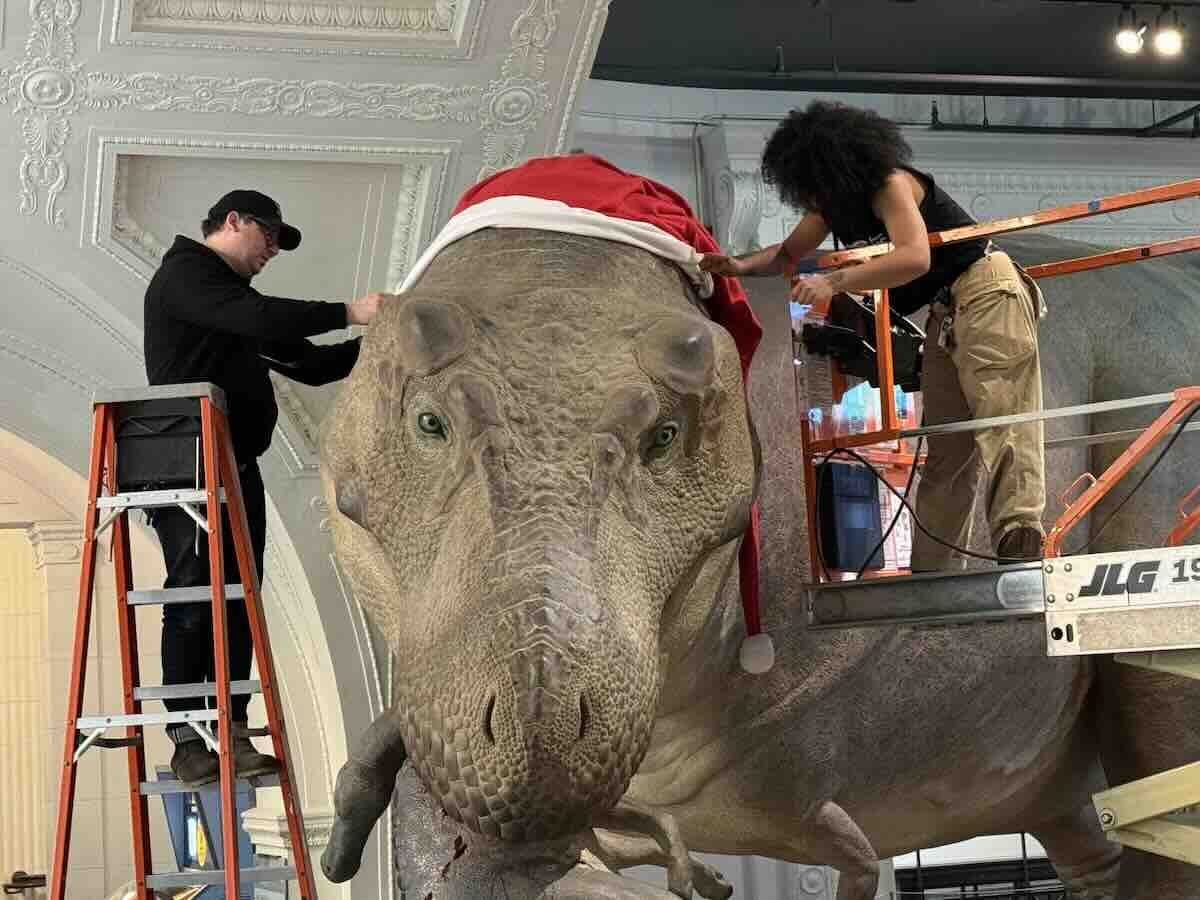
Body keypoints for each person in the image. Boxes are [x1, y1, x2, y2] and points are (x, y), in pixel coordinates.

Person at [700, 101, 1047, 572]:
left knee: (1004, 419)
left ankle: (1020, 540)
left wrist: (835, 281)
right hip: (946, 310)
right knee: (947, 448)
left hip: (985, 290)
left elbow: (915, 257)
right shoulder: (833, 207)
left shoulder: (890, 184)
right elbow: (785, 255)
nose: (809, 198)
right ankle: (933, 573)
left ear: (832, 167)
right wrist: (738, 265)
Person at [143, 189, 389, 786]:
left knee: (237, 599)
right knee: (194, 597)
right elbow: (260, 319)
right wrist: (351, 311)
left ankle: (230, 730)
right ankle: (188, 740)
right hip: (188, 463)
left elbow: (310, 364)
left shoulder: (231, 305)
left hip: (232, 464)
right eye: (270, 235)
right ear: (234, 221)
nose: (274, 249)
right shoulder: (186, 275)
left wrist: (386, 345)